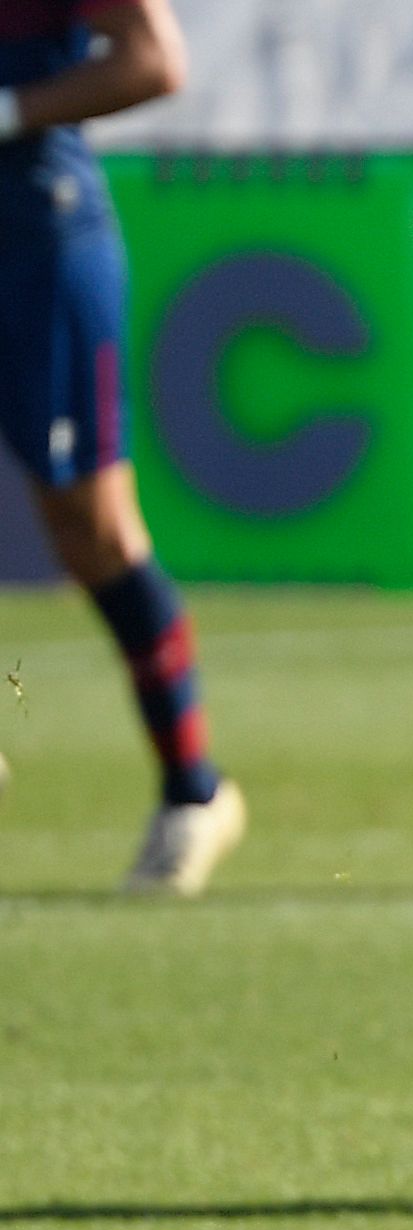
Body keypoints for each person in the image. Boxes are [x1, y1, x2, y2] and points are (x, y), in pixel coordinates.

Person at [0, 0, 244, 895]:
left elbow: (154, 61)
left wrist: (9, 108)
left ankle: (194, 792)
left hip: (35, 235)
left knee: (92, 530)